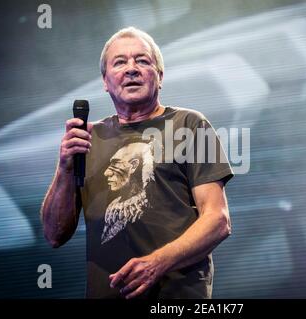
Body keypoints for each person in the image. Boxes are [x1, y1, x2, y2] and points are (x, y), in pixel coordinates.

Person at [41, 26, 234, 299]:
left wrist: (157, 263)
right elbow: (54, 235)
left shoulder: (189, 125)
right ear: (105, 81)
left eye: (142, 60)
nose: (131, 68)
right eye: (120, 62)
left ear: (160, 76)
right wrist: (64, 169)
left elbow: (217, 220)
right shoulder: (87, 139)